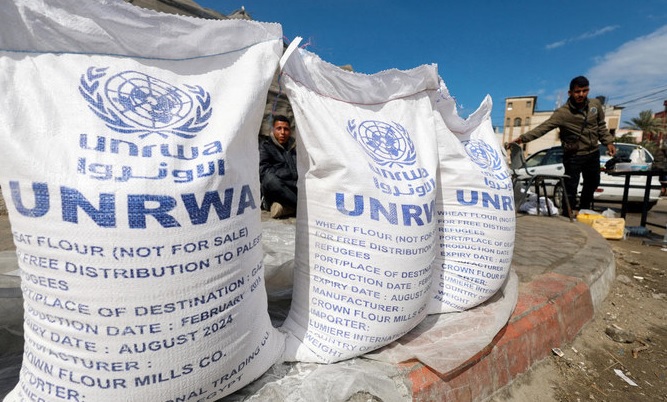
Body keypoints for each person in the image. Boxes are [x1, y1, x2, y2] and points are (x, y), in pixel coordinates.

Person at [510, 76, 616, 215]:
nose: (581, 95)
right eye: (577, 91)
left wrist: (608, 142)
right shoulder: (562, 113)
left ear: (588, 90)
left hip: (593, 152)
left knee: (593, 182)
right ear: (570, 93)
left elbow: (601, 126)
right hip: (574, 155)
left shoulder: (595, 105)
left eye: (584, 91)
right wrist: (522, 138)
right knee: (571, 186)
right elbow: (543, 128)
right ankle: (568, 212)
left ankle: (585, 209)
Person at [259, 115, 298, 218]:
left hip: (294, 187)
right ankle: (300, 207)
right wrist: (287, 174)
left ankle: (285, 208)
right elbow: (263, 170)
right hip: (277, 188)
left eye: (286, 129)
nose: (282, 132)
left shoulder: (295, 147)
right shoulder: (266, 146)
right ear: (273, 130)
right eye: (279, 128)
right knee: (270, 180)